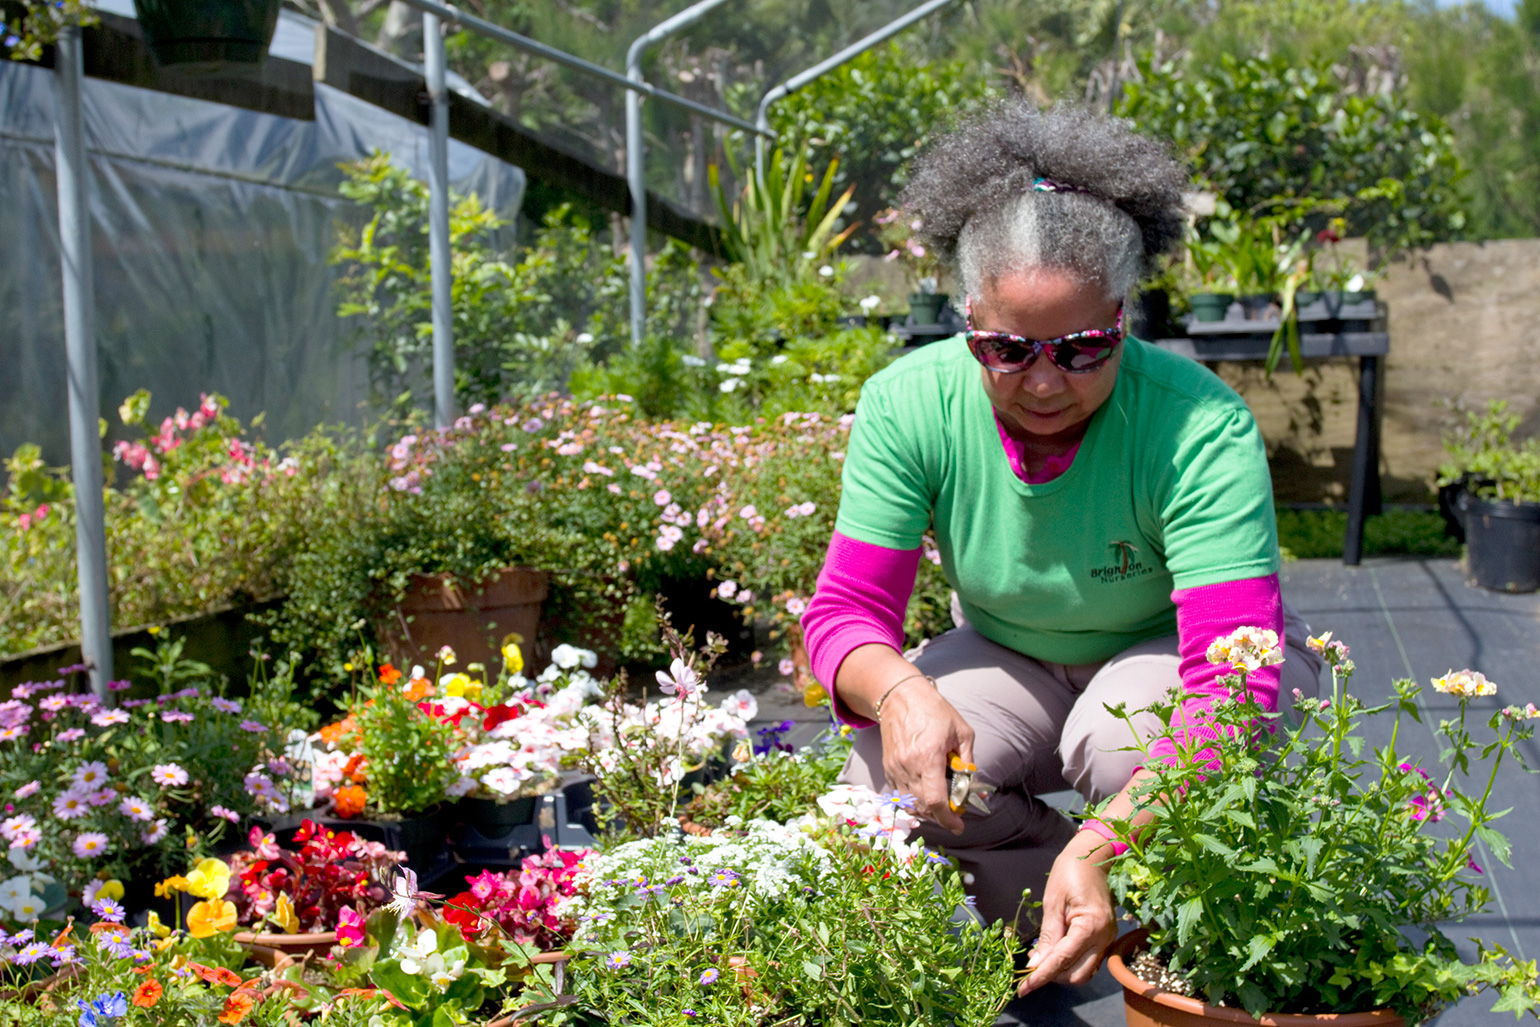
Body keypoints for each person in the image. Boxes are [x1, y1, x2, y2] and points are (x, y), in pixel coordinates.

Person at [799, 103, 1323, 996]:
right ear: (967, 317)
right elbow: (845, 613)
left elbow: (1235, 683)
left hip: (1165, 652)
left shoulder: (1196, 422)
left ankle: (1181, 961)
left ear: (1125, 317)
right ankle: (1047, 917)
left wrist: (1107, 833)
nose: (1045, 381)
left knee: (1130, 745)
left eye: (1084, 348)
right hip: (1011, 650)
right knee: (889, 780)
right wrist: (899, 692)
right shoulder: (909, 403)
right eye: (1006, 349)